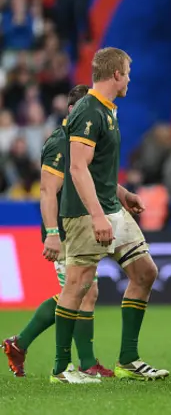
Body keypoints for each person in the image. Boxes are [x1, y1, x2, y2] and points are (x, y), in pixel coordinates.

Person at [53, 47, 168, 383]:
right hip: (88, 214)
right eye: (128, 73)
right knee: (77, 285)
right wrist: (98, 215)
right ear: (116, 73)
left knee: (145, 272)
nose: (130, 79)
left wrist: (122, 194)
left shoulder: (106, 111)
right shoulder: (88, 109)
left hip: (112, 207)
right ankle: (60, 368)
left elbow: (98, 170)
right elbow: (77, 167)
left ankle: (128, 359)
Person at [3, 85, 113, 380]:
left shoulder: (82, 140)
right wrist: (52, 232)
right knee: (76, 291)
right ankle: (42, 352)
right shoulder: (59, 142)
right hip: (64, 229)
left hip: (80, 224)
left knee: (86, 291)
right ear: (71, 110)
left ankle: (81, 361)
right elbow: (48, 192)